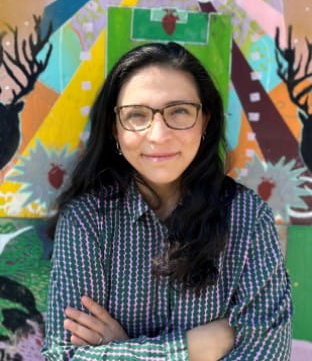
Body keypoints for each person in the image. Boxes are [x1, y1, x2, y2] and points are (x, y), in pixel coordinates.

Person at [42, 42, 292, 360]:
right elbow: (62, 356)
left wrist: (120, 349)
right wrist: (190, 349)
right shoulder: (87, 220)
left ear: (206, 121)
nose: (158, 134)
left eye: (179, 111)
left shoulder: (248, 218)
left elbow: (267, 354)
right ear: (114, 129)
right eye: (136, 115)